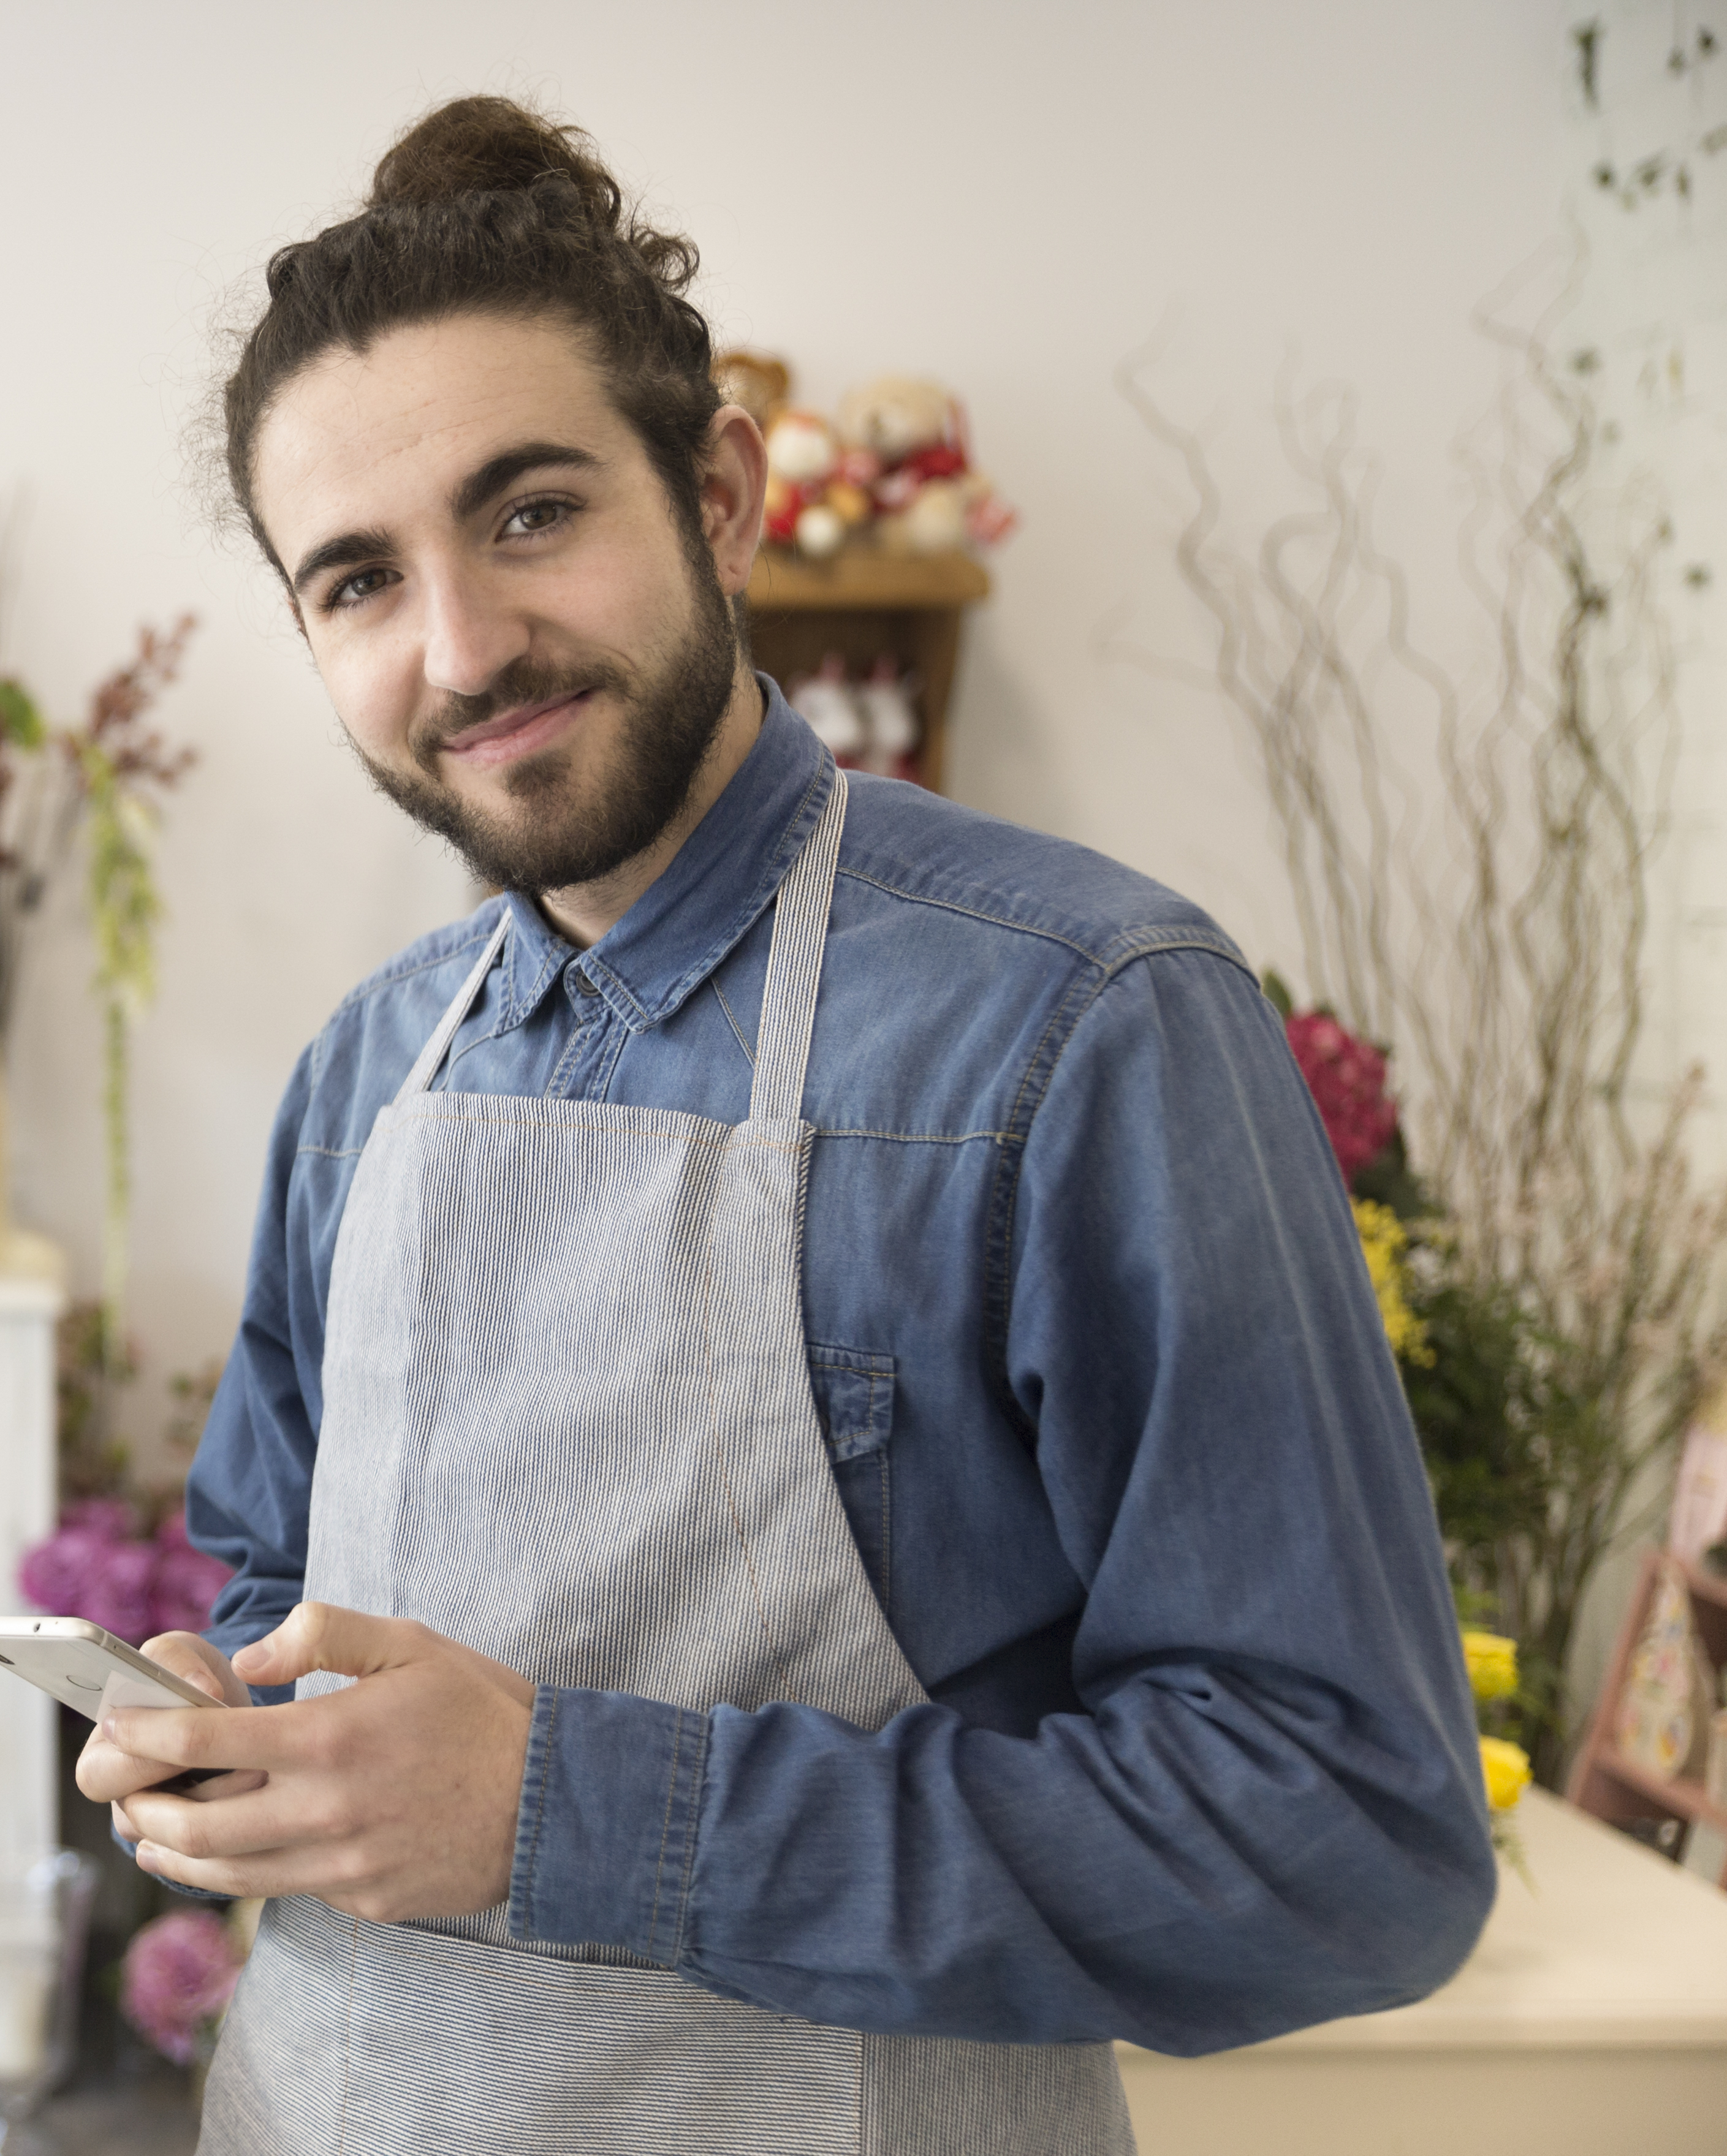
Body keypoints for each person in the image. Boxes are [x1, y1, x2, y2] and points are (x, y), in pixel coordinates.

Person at [76, 95, 1495, 2154]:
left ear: (719, 495)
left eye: (531, 511)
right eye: (359, 580)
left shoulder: (1082, 1025)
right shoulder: (359, 1077)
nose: (460, 648)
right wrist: (209, 1745)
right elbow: (260, 1595)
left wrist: (562, 1813)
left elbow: (1347, 1841)